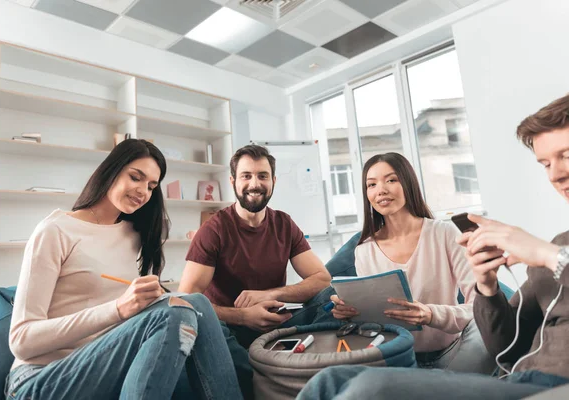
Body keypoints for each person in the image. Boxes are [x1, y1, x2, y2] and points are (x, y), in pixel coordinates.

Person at [296, 94, 569, 400]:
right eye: (545, 163)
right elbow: (506, 344)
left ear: (408, 184)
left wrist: (544, 254)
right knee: (328, 381)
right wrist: (487, 286)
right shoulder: (560, 245)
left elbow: (482, 335)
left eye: (566, 156)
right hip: (507, 373)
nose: (555, 174)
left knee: (370, 389)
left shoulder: (546, 251)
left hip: (516, 372)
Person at [5, 139, 242, 400]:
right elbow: (21, 340)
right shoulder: (56, 230)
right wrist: (118, 309)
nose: (143, 191)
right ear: (111, 170)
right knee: (173, 315)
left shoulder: (133, 234)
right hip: (39, 378)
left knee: (197, 303)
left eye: (151, 186)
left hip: (102, 366)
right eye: (135, 177)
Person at [178, 144, 331, 397]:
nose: (255, 183)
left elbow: (322, 279)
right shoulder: (214, 229)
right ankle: (271, 376)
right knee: (203, 322)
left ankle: (293, 371)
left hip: (277, 322)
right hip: (231, 328)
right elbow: (186, 299)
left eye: (262, 176)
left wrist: (270, 294)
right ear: (233, 181)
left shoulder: (284, 223)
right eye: (246, 176)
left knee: (330, 298)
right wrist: (243, 316)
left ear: (273, 181)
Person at [329, 152, 493, 373]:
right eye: (371, 184)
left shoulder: (444, 233)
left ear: (408, 183)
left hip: (452, 354)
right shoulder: (364, 251)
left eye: (391, 180)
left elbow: (480, 309)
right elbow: (375, 324)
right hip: (398, 360)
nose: (381, 190)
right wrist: (351, 313)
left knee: (484, 328)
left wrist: (431, 315)